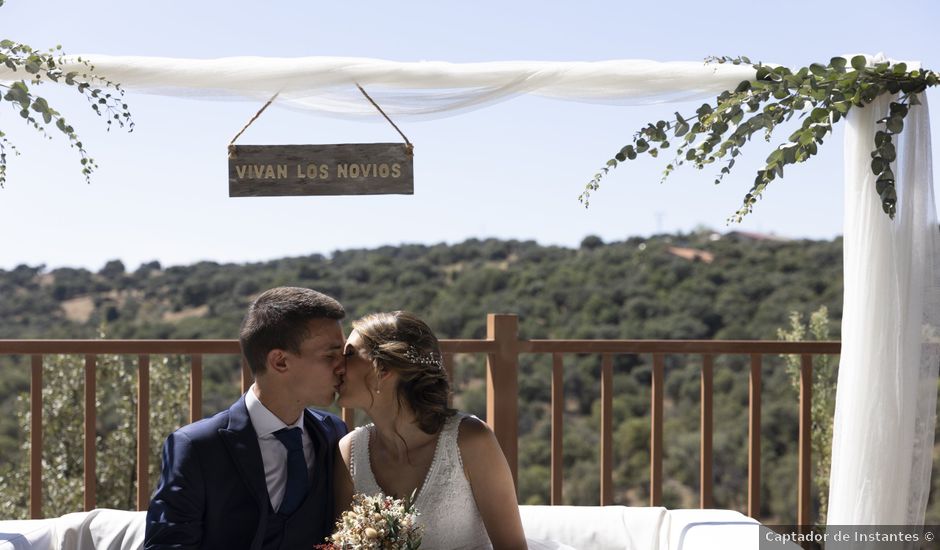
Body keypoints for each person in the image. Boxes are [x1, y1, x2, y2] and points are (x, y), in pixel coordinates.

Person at [145, 287, 349, 550]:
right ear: (280, 362)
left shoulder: (334, 433)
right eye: (330, 356)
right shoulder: (196, 447)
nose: (342, 367)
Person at [334, 311, 528, 550]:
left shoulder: (470, 441)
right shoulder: (350, 452)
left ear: (383, 368)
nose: (338, 365)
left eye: (349, 354)